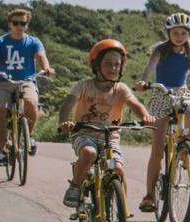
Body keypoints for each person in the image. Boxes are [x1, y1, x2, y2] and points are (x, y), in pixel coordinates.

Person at [135, 13, 190, 215]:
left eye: (183, 33)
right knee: (157, 150)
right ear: (169, 33)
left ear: (189, 34)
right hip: (161, 92)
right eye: (175, 33)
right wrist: (143, 82)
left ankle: (184, 150)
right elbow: (151, 66)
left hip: (181, 92)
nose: (179, 36)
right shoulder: (161, 49)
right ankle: (149, 195)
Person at [56, 41, 151, 209]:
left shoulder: (120, 89)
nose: (112, 68)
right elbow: (67, 104)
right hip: (84, 135)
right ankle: (75, 186)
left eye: (117, 65)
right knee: (89, 154)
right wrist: (64, 122)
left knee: (118, 171)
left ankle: (123, 217)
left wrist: (145, 116)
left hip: (110, 139)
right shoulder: (83, 86)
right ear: (96, 64)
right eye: (107, 64)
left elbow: (134, 103)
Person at [0, 7, 51, 167]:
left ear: (27, 25)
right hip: (3, 81)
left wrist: (47, 68)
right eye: (15, 23)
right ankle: (1, 152)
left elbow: (41, 56)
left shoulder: (33, 41)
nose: (19, 26)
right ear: (9, 24)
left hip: (26, 81)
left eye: (23, 23)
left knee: (31, 103)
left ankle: (28, 136)